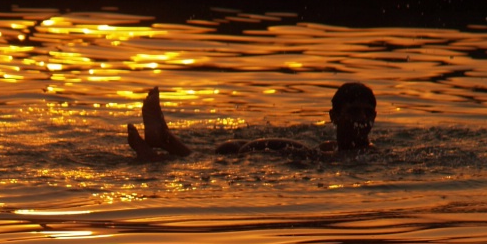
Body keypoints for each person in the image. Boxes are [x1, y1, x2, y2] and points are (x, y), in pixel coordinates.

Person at [127, 82, 377, 162]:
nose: (363, 120)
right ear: (333, 116)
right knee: (228, 149)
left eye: (369, 113)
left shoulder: (369, 156)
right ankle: (165, 142)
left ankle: (164, 144)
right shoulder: (328, 148)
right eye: (354, 112)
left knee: (238, 152)